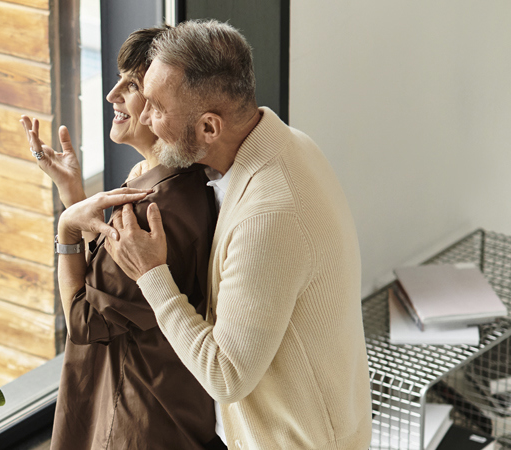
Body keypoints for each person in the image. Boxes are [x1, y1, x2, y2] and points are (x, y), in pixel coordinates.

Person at [100, 20, 372, 449]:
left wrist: (151, 274)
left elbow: (225, 376)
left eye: (155, 106)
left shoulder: (270, 214)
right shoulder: (284, 141)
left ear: (209, 128)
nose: (146, 119)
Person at [21, 26, 225, 450]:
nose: (112, 94)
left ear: (159, 104)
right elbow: (123, 292)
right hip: (170, 406)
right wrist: (74, 197)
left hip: (135, 419)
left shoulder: (152, 209)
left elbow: (81, 321)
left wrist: (68, 228)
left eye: (132, 84)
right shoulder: (181, 183)